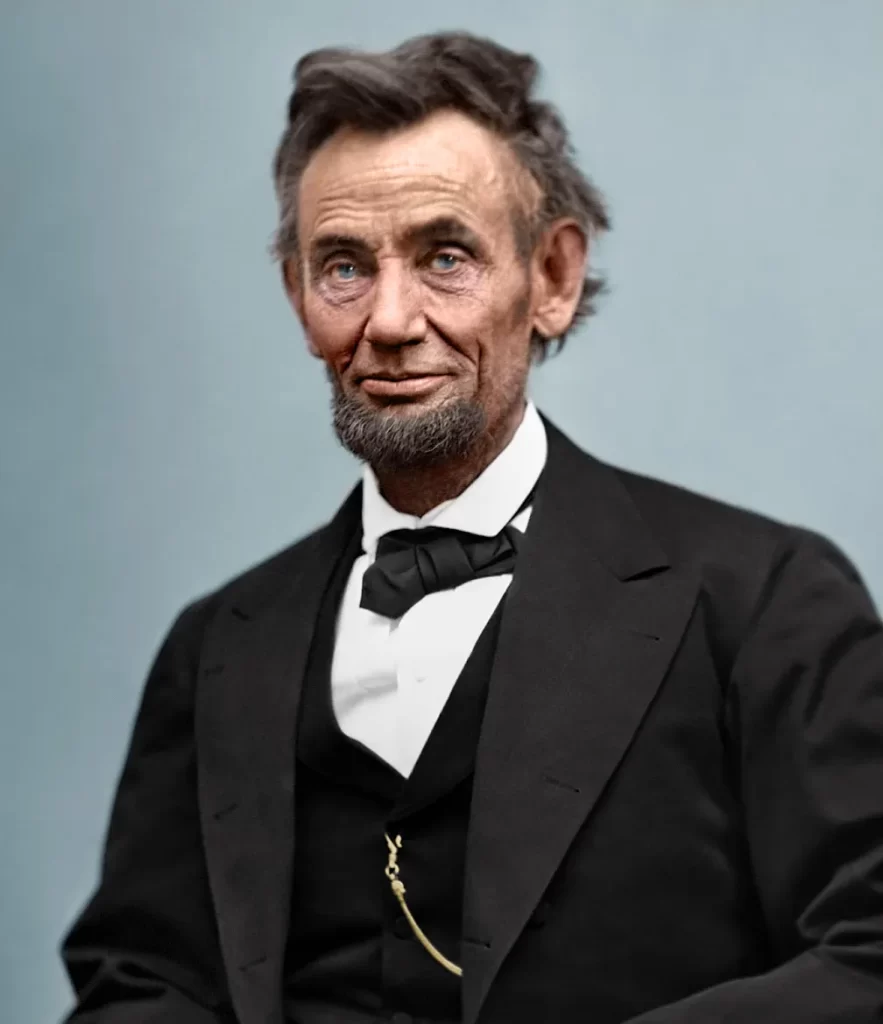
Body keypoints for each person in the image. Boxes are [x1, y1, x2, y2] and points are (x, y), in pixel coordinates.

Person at [60, 30, 883, 1024]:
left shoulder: (766, 602)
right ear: (297, 297)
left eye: (444, 256)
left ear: (552, 278)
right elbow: (139, 982)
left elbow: (866, 953)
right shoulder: (215, 645)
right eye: (343, 267)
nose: (392, 317)